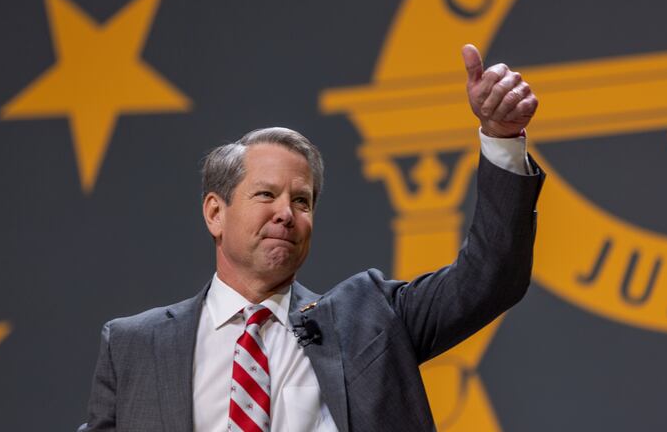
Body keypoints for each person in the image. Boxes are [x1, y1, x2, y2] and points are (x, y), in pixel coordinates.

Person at [78, 44, 545, 431]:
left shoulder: (371, 322)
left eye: (302, 202)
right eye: (266, 194)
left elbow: (491, 277)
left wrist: (501, 138)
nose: (286, 213)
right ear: (215, 213)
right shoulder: (134, 346)